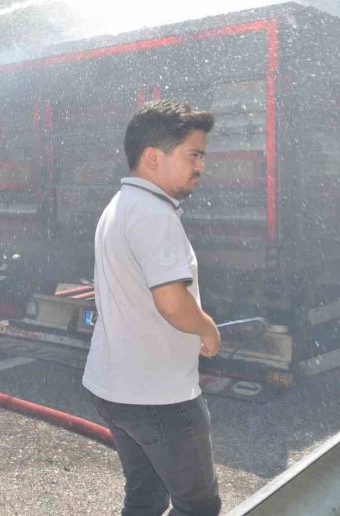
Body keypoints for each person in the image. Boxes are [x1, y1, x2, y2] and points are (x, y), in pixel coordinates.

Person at [82, 99, 222, 516]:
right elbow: (172, 302)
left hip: (115, 388)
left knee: (145, 498)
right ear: (153, 157)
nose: (201, 166)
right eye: (193, 155)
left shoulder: (119, 206)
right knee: (198, 506)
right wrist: (208, 329)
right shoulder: (155, 215)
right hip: (159, 396)